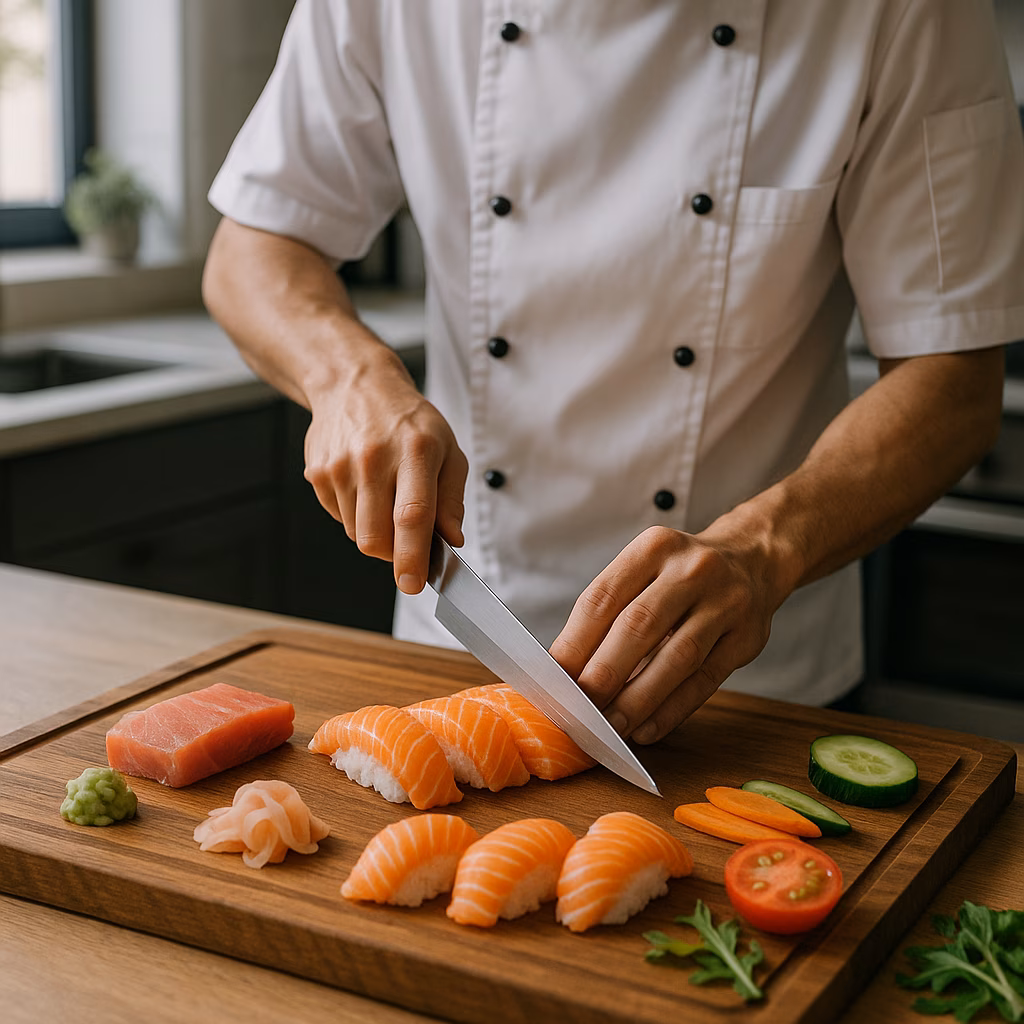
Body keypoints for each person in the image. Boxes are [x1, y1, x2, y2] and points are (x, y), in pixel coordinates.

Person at [202, 1, 1024, 745]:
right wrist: (348, 376)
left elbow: (952, 377)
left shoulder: (909, 11)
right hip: (459, 651)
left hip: (753, 685)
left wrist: (764, 551)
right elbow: (254, 249)